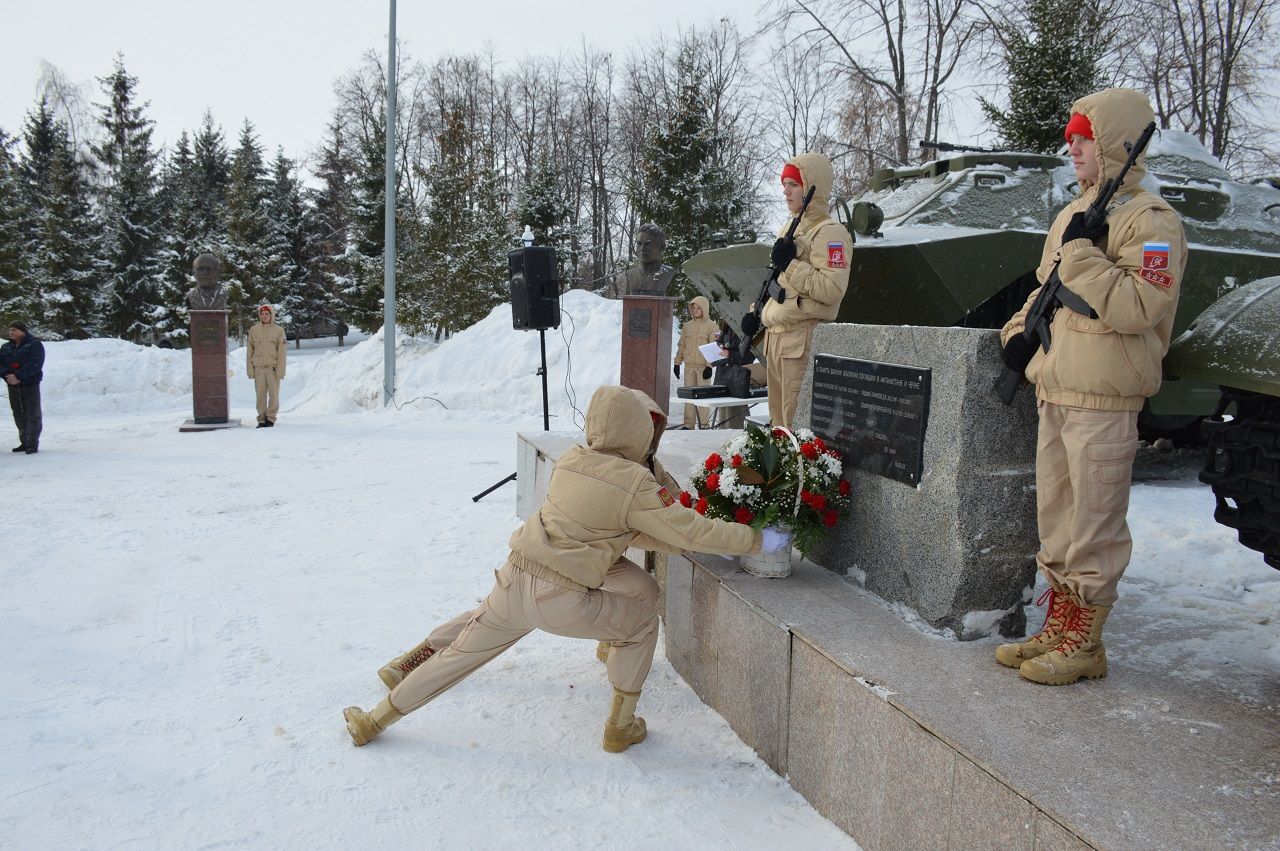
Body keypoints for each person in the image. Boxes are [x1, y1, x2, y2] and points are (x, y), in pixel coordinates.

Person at [342, 385, 788, 750]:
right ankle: (621, 725)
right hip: (563, 594)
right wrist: (756, 539)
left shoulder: (572, 460)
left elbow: (615, 526)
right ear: (637, 431)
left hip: (518, 574)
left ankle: (377, 716)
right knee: (641, 624)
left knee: (465, 651)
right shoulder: (635, 480)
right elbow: (686, 531)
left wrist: (663, 532)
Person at [995, 88, 1186, 686]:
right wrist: (1018, 331)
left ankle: (1086, 643)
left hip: (1105, 395)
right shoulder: (1072, 216)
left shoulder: (1152, 223)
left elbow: (1137, 305)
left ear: (1115, 145)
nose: (1071, 147)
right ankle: (1059, 624)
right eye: (1071, 137)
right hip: (1056, 385)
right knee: (1057, 520)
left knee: (1095, 523)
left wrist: (1081, 255)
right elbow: (1045, 289)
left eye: (1083, 137)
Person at [747, 152, 850, 429]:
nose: (785, 191)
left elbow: (831, 289)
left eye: (793, 183)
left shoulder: (831, 234)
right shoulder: (789, 228)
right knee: (778, 426)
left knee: (796, 424)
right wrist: (755, 313)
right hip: (776, 339)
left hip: (800, 338)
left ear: (811, 187)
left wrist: (790, 264)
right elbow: (776, 282)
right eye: (784, 184)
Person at [673, 295, 718, 428]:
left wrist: (709, 366)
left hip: (703, 368)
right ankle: (688, 424)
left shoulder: (712, 326)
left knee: (703, 398)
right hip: (689, 367)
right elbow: (682, 345)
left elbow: (714, 347)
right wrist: (677, 363)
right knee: (689, 397)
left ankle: (704, 425)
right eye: (694, 308)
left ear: (705, 309)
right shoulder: (687, 326)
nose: (696, 310)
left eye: (699, 308)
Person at [1, 321, 44, 455]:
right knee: (18, 413)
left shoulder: (34, 344)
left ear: (23, 331)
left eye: (14, 330)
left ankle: (32, 443)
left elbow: (36, 363)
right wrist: (7, 375)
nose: (11, 332)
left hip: (30, 384)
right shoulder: (6, 347)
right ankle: (24, 441)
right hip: (13, 386)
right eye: (10, 330)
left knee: (32, 413)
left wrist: (18, 376)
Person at [246, 305, 286, 428]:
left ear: (271, 315)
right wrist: (250, 370)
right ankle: (261, 419)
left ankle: (271, 418)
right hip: (258, 368)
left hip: (272, 368)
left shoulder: (279, 331)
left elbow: (282, 353)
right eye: (262, 314)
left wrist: (280, 371)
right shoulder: (254, 330)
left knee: (274, 395)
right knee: (260, 395)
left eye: (267, 314)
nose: (264, 316)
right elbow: (249, 351)